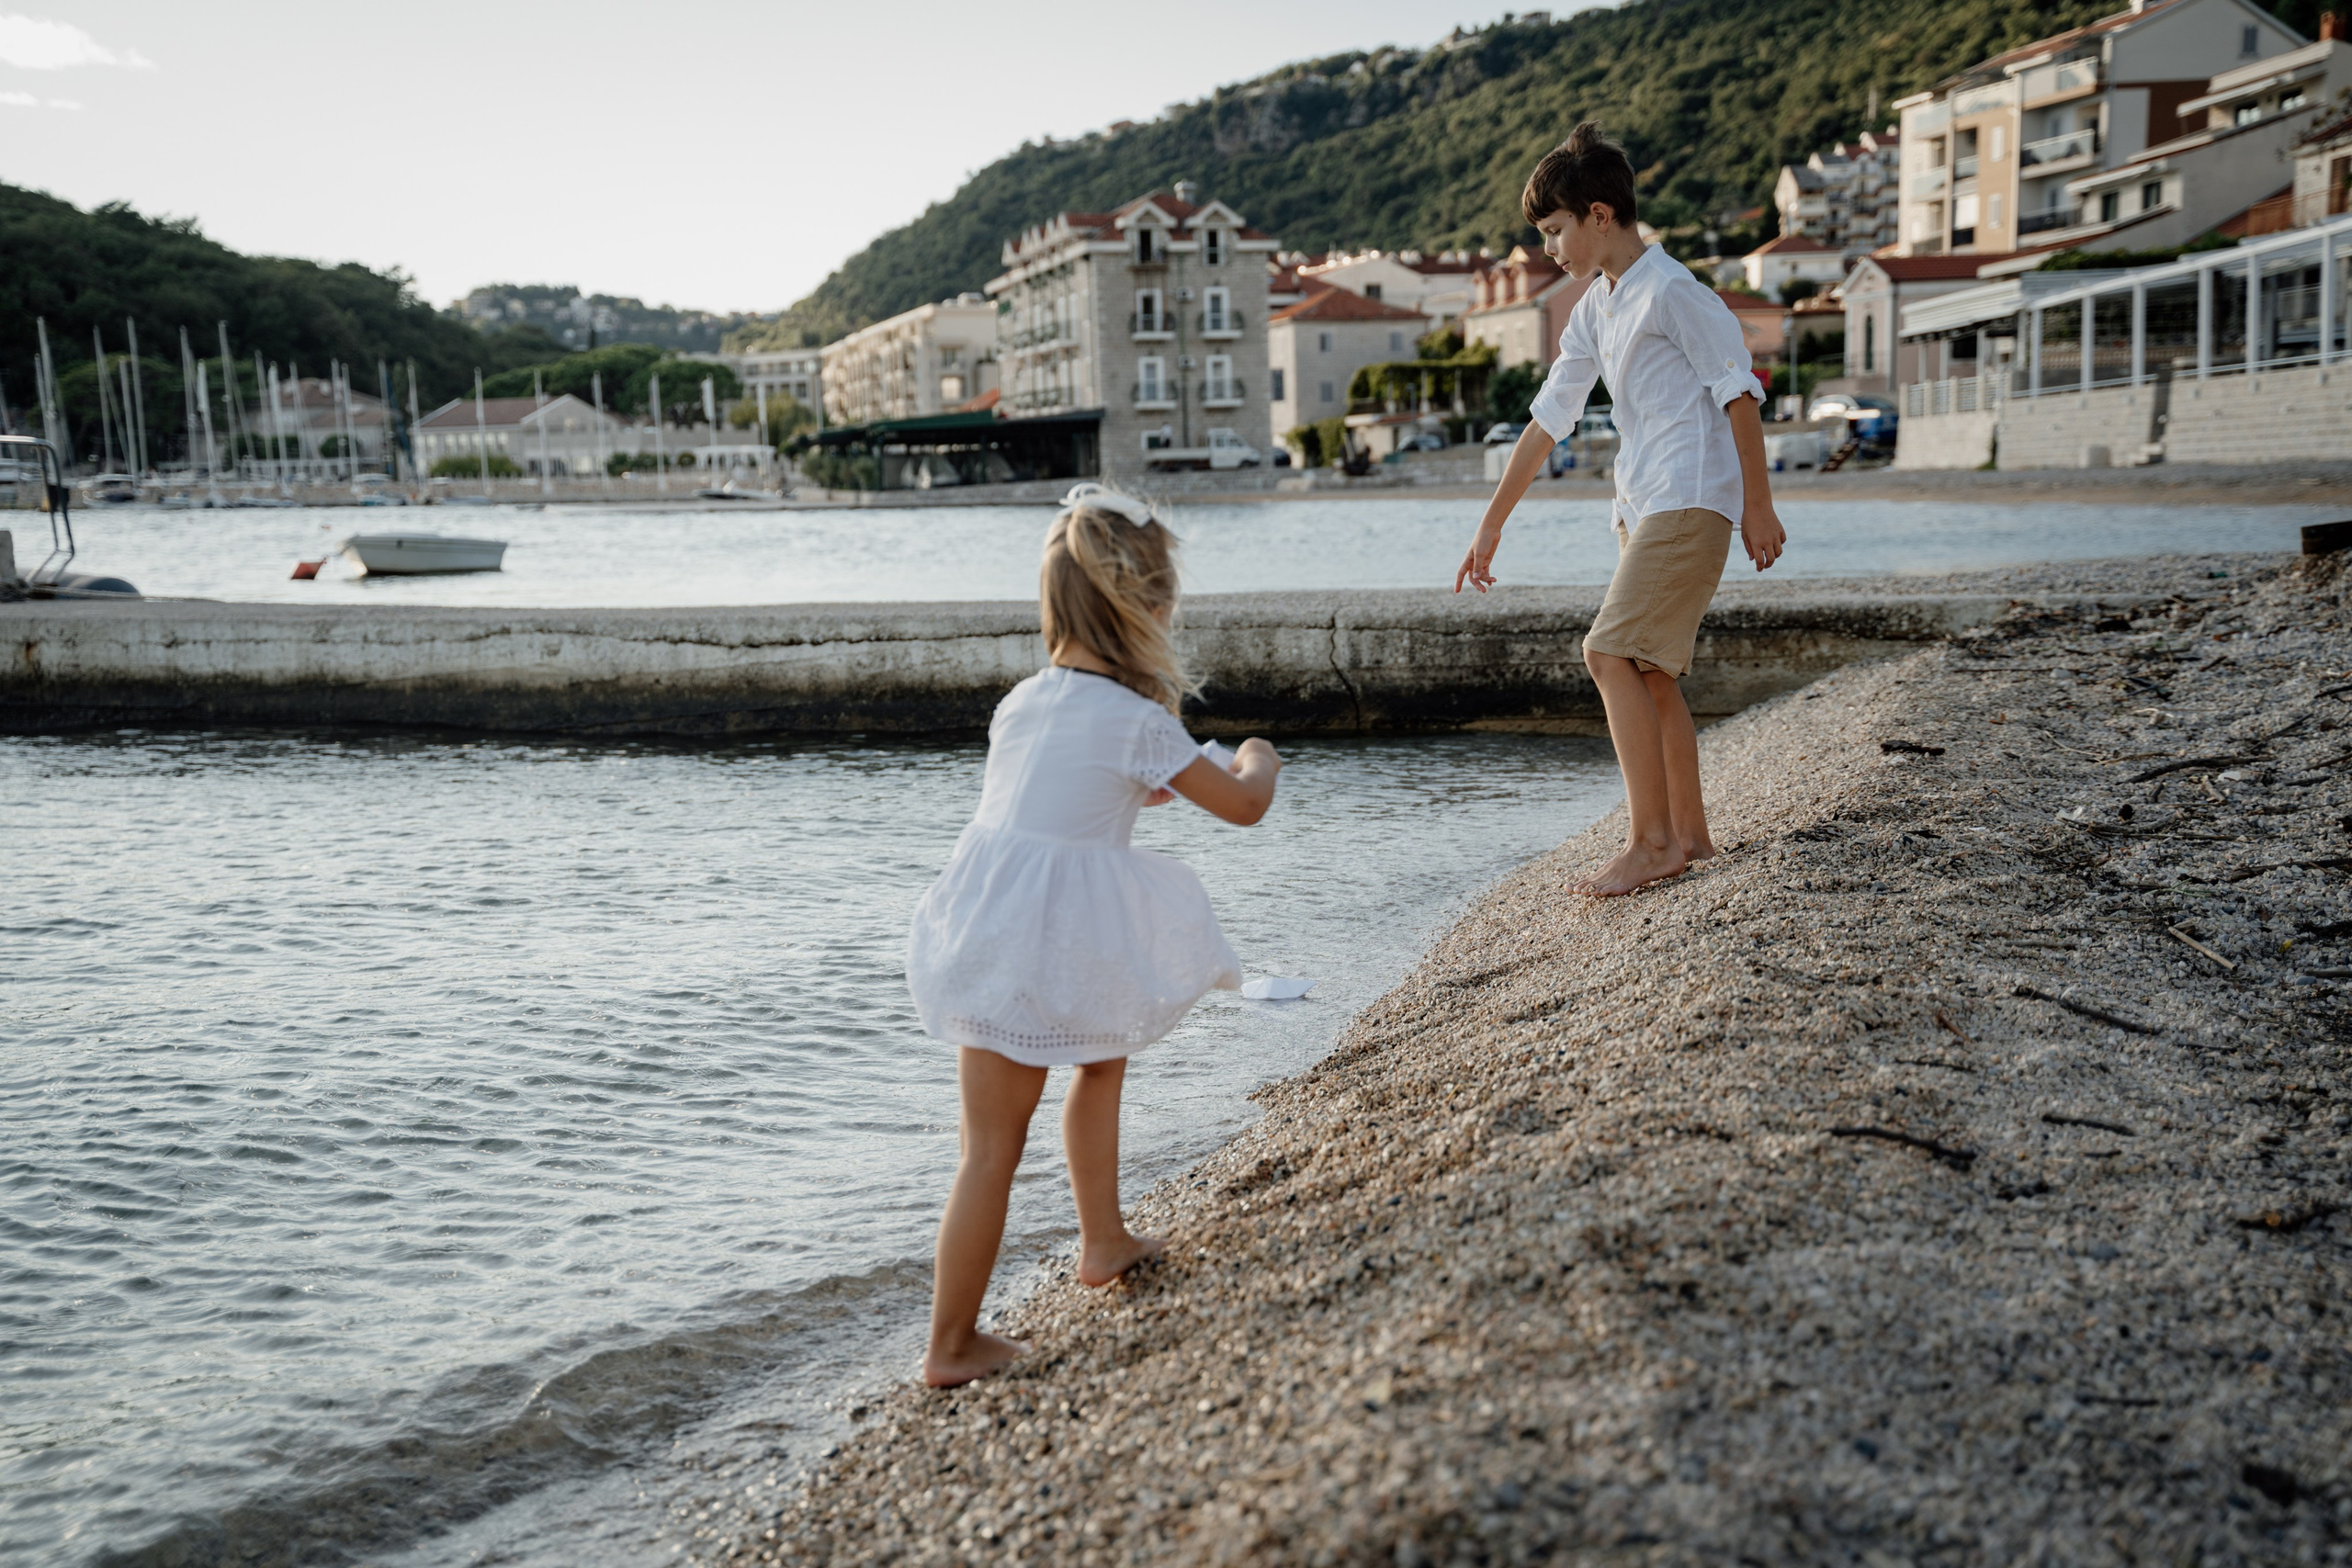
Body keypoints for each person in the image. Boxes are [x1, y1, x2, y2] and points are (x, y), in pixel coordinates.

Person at [907, 483, 1283, 1388]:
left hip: (984, 932)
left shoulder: (1022, 702)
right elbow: (1239, 807)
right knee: (1048, 1104)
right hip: (1048, 941)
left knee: (1029, 1115)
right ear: (1145, 611)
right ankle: (951, 1347)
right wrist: (1258, 755)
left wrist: (1139, 784)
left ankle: (1102, 1240)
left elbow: (1057, 794)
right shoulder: (1136, 719)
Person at [1456, 120, 1786, 897]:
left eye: (1555, 230)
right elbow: (1548, 420)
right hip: (1645, 504)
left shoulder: (1674, 290)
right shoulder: (1595, 308)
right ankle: (1690, 837)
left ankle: (1648, 843)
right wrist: (1491, 522)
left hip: (1689, 495)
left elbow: (1739, 392)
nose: (1550, 250)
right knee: (1649, 671)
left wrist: (1758, 507)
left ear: (1600, 215)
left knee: (1605, 655)